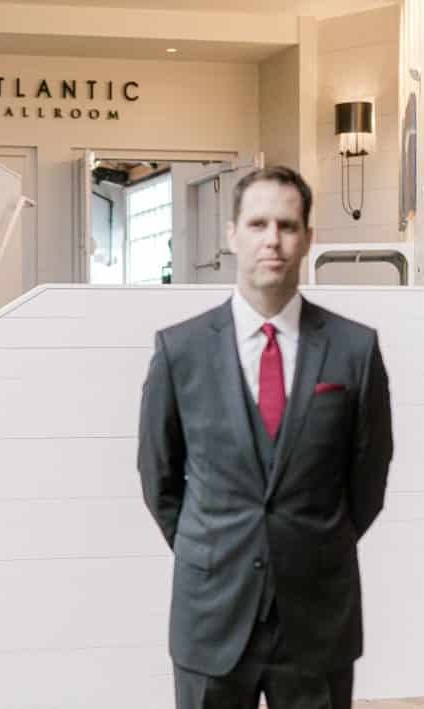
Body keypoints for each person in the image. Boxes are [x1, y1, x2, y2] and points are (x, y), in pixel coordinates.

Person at [137, 166, 393, 708]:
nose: (272, 239)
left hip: (318, 613)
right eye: (257, 224)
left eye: (287, 225)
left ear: (307, 238)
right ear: (232, 235)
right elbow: (159, 477)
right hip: (210, 612)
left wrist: (311, 544)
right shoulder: (179, 352)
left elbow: (368, 480)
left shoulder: (355, 350)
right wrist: (210, 549)